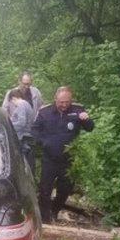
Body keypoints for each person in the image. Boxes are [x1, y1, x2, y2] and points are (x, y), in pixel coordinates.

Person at [31, 86, 94, 224]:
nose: (64, 105)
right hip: (49, 158)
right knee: (45, 190)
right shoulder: (45, 112)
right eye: (61, 102)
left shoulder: (77, 110)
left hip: (68, 159)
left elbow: (90, 128)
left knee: (65, 190)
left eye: (67, 101)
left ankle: (55, 210)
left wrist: (87, 119)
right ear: (55, 99)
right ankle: (44, 218)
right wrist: (43, 142)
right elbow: (34, 130)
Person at [7, 88, 36, 174]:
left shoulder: (22, 105)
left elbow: (21, 122)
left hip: (23, 138)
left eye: (11, 101)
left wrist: (10, 127)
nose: (12, 104)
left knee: (24, 163)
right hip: (26, 137)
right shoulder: (26, 104)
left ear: (13, 98)